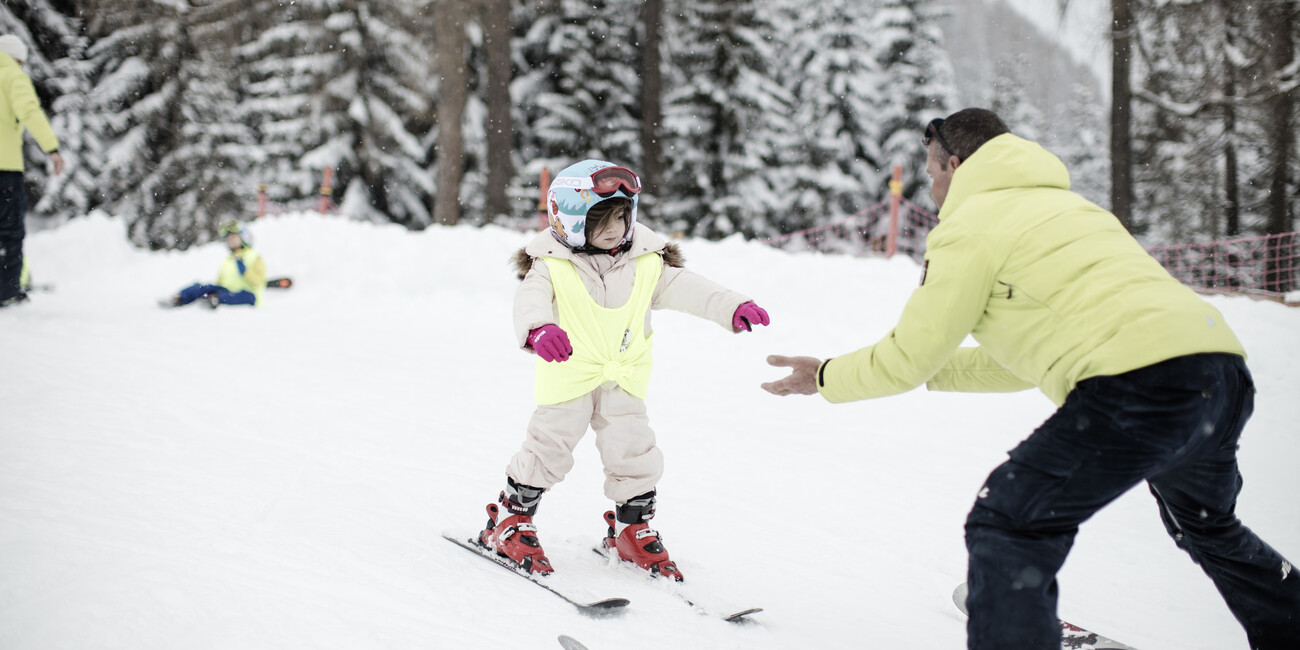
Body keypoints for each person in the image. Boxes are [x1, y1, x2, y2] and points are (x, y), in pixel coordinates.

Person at [761, 108, 1299, 649]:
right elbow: (1021, 358)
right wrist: (931, 372)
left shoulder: (970, 227)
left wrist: (827, 376)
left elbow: (910, 354)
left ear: (955, 162)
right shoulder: (1070, 209)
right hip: (1220, 372)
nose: (930, 186)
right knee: (1207, 526)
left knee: (1008, 522)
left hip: (1142, 384)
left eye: (931, 171)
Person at [480, 159, 770, 580]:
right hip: (570, 377)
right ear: (571, 222)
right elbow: (530, 301)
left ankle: (631, 529)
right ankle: (510, 521)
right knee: (548, 448)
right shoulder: (551, 264)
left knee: (634, 453)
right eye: (600, 220)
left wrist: (732, 306)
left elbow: (690, 288)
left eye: (621, 216)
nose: (615, 228)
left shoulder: (646, 262)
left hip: (624, 378)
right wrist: (540, 330)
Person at [0, 34, 64, 308]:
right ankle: (6, 291)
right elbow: (30, 111)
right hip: (5, 169)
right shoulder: (12, 76)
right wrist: (52, 148)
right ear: (17, 58)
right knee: (9, 230)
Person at [162, 220, 267, 308]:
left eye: (234, 237)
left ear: (244, 237)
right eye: (228, 238)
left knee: (242, 296)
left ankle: (215, 299)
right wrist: (212, 289)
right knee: (204, 287)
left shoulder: (255, 256)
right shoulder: (228, 260)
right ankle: (180, 298)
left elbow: (260, 281)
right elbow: (220, 282)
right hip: (227, 290)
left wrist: (245, 272)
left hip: (248, 294)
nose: (230, 241)